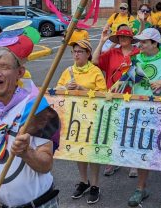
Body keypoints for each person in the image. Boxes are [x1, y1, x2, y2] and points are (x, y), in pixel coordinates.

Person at [0, 34, 60, 208]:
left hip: (40, 204)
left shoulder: (36, 107)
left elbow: (46, 164)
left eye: (4, 67)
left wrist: (27, 153)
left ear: (20, 72)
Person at [125, 28, 161, 207]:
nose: (139, 44)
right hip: (140, 111)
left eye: (143, 42)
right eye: (139, 41)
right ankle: (141, 188)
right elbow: (129, 82)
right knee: (142, 149)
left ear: (154, 43)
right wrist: (127, 77)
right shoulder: (137, 60)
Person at [57, 39, 107, 204]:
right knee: (79, 151)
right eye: (75, 51)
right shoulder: (68, 71)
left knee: (91, 152)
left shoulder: (95, 71)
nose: (76, 54)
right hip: (74, 117)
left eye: (80, 51)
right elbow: (57, 90)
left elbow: (103, 94)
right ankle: (84, 181)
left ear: (88, 54)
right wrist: (65, 89)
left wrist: (82, 89)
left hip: (91, 117)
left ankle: (95, 185)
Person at [92, 26, 139, 177]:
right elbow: (94, 61)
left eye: (125, 37)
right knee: (112, 129)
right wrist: (102, 41)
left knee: (131, 129)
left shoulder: (138, 53)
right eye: (120, 37)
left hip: (133, 96)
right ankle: (113, 160)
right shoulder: (112, 52)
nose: (123, 39)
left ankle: (132, 162)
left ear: (131, 38)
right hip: (112, 96)